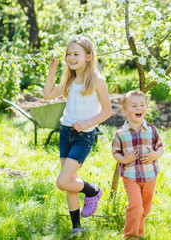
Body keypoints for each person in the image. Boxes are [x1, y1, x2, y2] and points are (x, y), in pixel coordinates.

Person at [43, 36, 112, 234]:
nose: (71, 58)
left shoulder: (97, 81)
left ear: (88, 57)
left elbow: (107, 111)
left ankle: (93, 191)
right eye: (69, 54)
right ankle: (76, 228)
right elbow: (47, 95)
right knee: (70, 183)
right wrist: (52, 71)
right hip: (65, 133)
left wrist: (87, 123)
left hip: (83, 137)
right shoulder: (70, 78)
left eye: (76, 54)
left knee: (62, 181)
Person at [112, 90, 164, 239]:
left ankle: (139, 232)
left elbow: (160, 147)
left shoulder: (152, 130)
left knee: (145, 207)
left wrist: (155, 155)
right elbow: (115, 152)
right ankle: (129, 235)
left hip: (149, 174)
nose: (138, 108)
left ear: (147, 108)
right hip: (130, 175)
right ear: (125, 111)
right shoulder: (120, 133)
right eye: (134, 106)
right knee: (135, 205)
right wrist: (124, 159)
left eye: (142, 105)